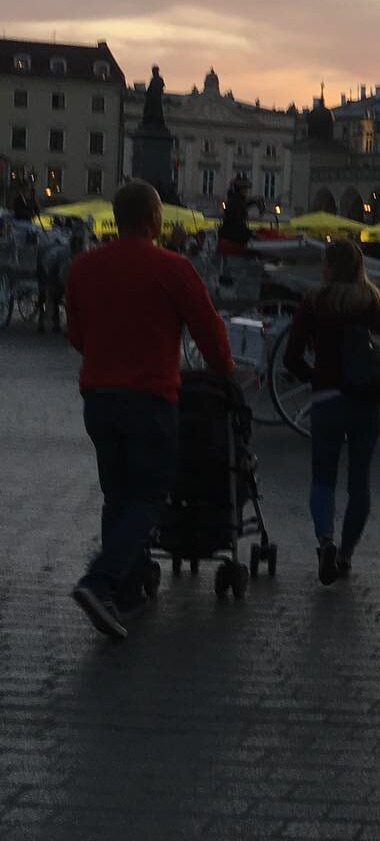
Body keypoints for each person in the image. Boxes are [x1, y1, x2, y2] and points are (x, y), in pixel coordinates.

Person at [64, 180, 234, 640]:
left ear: (117, 219)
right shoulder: (173, 267)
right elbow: (209, 332)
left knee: (117, 495)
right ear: (155, 218)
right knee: (148, 496)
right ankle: (99, 582)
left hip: (98, 398)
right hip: (150, 398)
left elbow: (76, 336)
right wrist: (227, 373)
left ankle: (129, 591)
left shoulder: (84, 267)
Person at [283, 239, 380, 584]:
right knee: (360, 483)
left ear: (330, 266)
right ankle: (345, 555)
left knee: (323, 477)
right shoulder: (376, 302)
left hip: (327, 399)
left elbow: (291, 357)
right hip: (367, 401)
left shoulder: (314, 300)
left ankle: (325, 541)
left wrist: (316, 378)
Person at [216, 173, 259, 257]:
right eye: (245, 188)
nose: (246, 191)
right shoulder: (235, 203)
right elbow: (237, 224)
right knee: (254, 253)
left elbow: (242, 207)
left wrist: (252, 202)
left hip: (229, 240)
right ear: (239, 189)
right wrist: (252, 235)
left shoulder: (235, 201)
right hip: (231, 242)